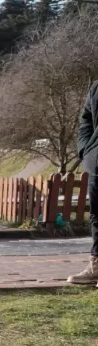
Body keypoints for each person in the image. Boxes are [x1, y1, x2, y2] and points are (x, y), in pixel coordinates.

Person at [70, 78, 98, 284]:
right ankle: (96, 266)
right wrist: (85, 150)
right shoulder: (96, 87)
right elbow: (86, 120)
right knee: (97, 214)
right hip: (96, 160)